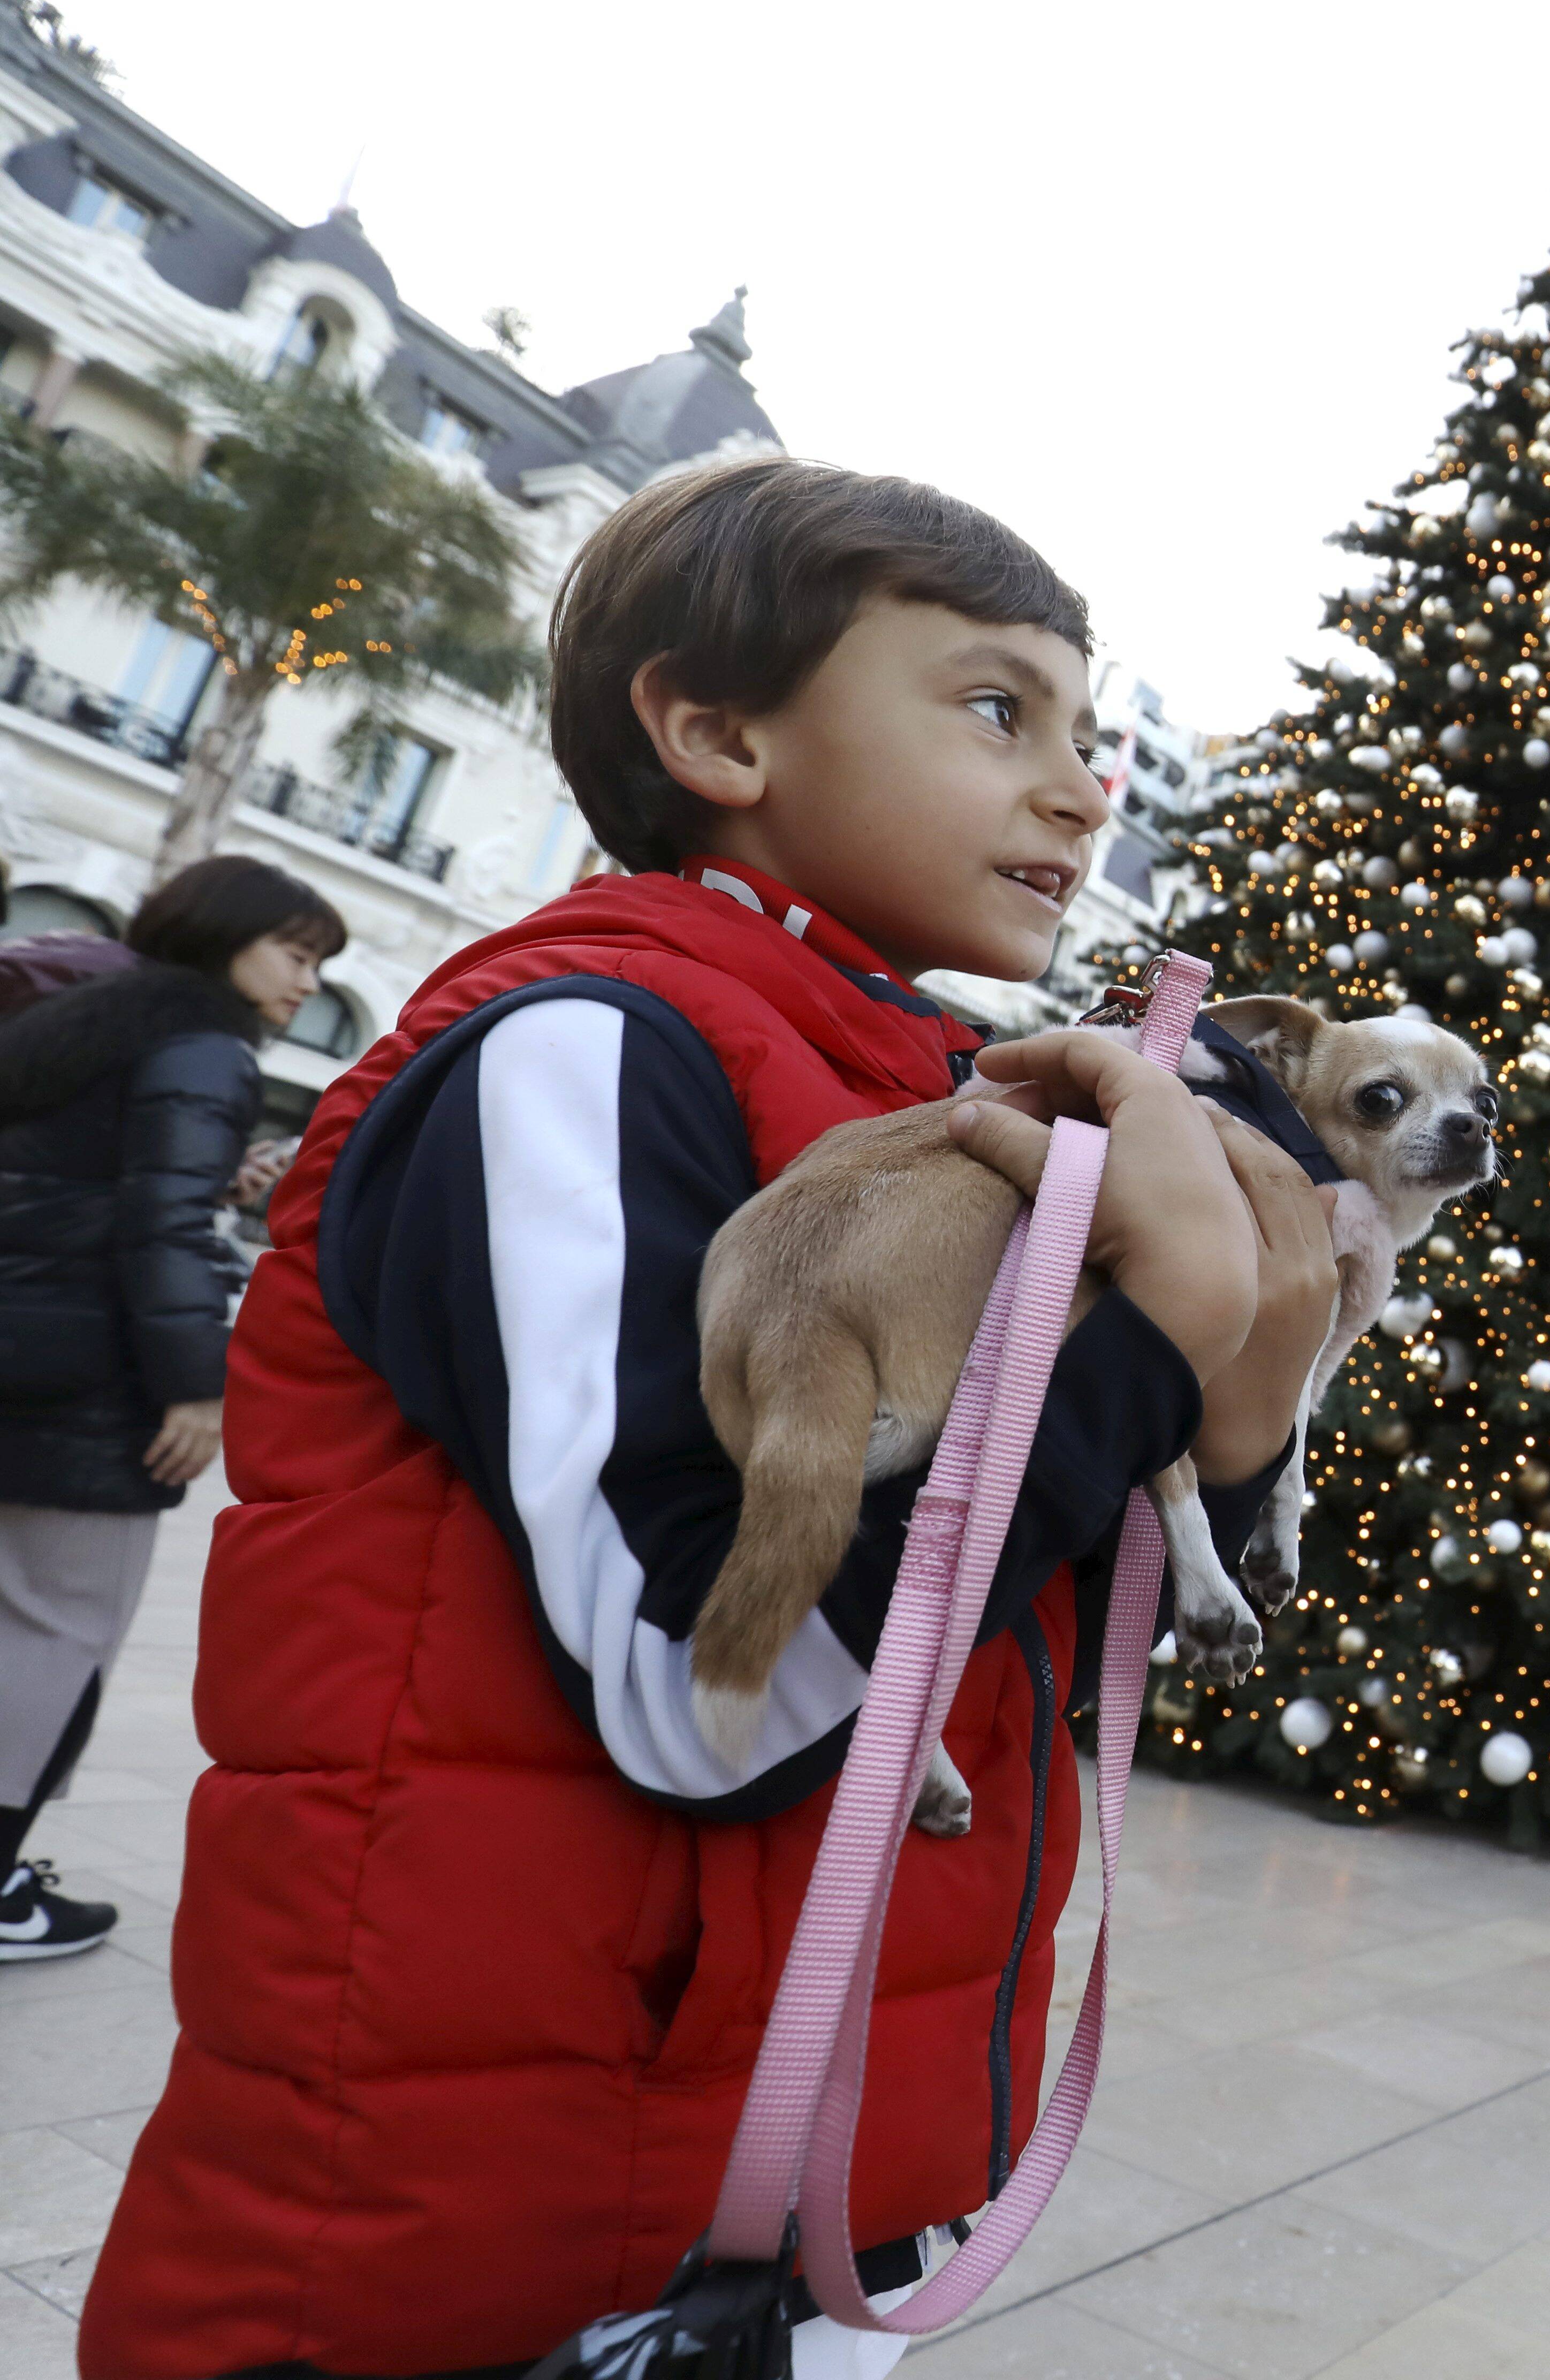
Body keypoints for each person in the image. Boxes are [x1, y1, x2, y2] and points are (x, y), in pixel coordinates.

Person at [79, 459, 1342, 2380]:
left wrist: (1228, 1404)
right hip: (499, 2243)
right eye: (995, 708)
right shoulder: (583, 1047)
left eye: (1088, 734)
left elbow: (1017, 1630)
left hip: (807, 2189)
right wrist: (1152, 1328)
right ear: (717, 732)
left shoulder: (944, 1093)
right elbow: (708, 1690)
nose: (1084, 790)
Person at [0, 855, 339, 1960]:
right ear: (224, 937)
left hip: (20, 1351)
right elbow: (164, 1231)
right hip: (86, 1382)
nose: (306, 982)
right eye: (294, 952)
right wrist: (195, 1386)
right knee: (60, 1634)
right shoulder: (204, 1045)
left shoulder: (91, 1013)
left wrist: (207, 1177)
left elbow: (86, 1185)